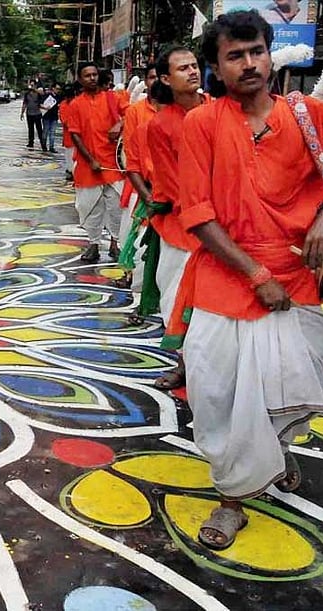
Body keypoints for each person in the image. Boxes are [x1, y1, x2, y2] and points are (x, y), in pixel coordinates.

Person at [172, 9, 323, 551]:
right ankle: (240, 481)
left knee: (283, 386)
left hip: (299, 280)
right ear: (217, 67)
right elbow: (197, 212)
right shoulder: (202, 124)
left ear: (269, 51)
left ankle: (241, 491)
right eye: (235, 56)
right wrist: (256, 274)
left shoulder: (310, 115)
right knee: (218, 391)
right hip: (226, 277)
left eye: (256, 50)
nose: (250, 63)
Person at [146, 47, 206, 390]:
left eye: (195, 65)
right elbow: (169, 184)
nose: (192, 72)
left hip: (229, 226)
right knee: (176, 300)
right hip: (181, 229)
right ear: (167, 79)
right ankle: (184, 365)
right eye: (183, 68)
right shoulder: (161, 124)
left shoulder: (218, 110)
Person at [67, 62, 127, 263]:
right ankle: (93, 244)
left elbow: (131, 114)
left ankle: (115, 243)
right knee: (89, 207)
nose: (92, 78)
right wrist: (90, 160)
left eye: (94, 74)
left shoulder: (112, 98)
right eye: (87, 75)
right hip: (87, 166)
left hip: (112, 165)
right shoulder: (76, 104)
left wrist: (120, 123)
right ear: (80, 79)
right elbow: (75, 135)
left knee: (117, 206)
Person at [118, 67, 160, 324]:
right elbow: (131, 158)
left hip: (179, 198)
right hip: (145, 191)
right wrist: (147, 194)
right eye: (152, 77)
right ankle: (139, 302)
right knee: (139, 247)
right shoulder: (136, 111)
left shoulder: (188, 110)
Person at [57, 85, 78, 181]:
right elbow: (65, 121)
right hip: (70, 137)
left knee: (73, 157)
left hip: (78, 137)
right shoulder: (64, 105)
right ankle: (71, 172)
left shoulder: (78, 103)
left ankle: (74, 172)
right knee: (70, 157)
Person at [20, 84, 46, 151]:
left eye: (33, 85)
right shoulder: (27, 94)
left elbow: (43, 95)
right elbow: (25, 103)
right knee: (30, 129)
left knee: (39, 130)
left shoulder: (38, 94)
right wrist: (22, 113)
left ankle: (43, 144)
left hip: (37, 114)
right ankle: (31, 142)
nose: (31, 87)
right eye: (30, 85)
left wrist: (36, 90)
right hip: (29, 114)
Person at [40, 84, 60, 153]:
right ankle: (44, 146)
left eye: (59, 89)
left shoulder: (58, 97)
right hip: (46, 116)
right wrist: (45, 107)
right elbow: (40, 104)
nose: (58, 90)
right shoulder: (47, 95)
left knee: (52, 132)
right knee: (45, 131)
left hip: (54, 117)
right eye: (57, 89)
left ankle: (51, 147)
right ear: (53, 88)